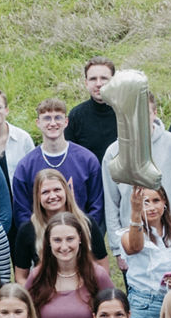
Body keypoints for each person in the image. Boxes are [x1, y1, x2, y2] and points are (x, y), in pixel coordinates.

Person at [102, 98, 171, 260]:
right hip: (132, 240)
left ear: (154, 113)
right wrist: (118, 249)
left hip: (169, 239)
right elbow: (111, 203)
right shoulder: (114, 152)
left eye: (144, 114)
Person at [9, 100, 105, 235]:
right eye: (47, 118)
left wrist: (82, 234)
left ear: (66, 122)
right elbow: (22, 212)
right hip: (41, 240)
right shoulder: (26, 166)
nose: (53, 123)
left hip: (81, 237)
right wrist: (42, 238)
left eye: (58, 117)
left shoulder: (87, 160)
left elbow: (97, 205)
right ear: (38, 123)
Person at [120, 187, 171, 318]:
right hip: (144, 307)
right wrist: (135, 214)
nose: (151, 207)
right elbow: (134, 247)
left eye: (156, 200)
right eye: (145, 202)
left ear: (165, 203)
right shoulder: (128, 234)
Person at [14, 168, 107, 271]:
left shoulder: (87, 223)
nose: (52, 196)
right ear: (37, 197)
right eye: (45, 192)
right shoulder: (28, 229)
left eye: (57, 190)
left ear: (66, 191)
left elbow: (103, 266)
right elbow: (21, 276)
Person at [64, 57, 119, 161]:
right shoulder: (76, 116)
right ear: (86, 83)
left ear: (114, 81)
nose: (98, 84)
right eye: (93, 79)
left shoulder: (126, 113)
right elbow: (70, 157)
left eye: (104, 78)